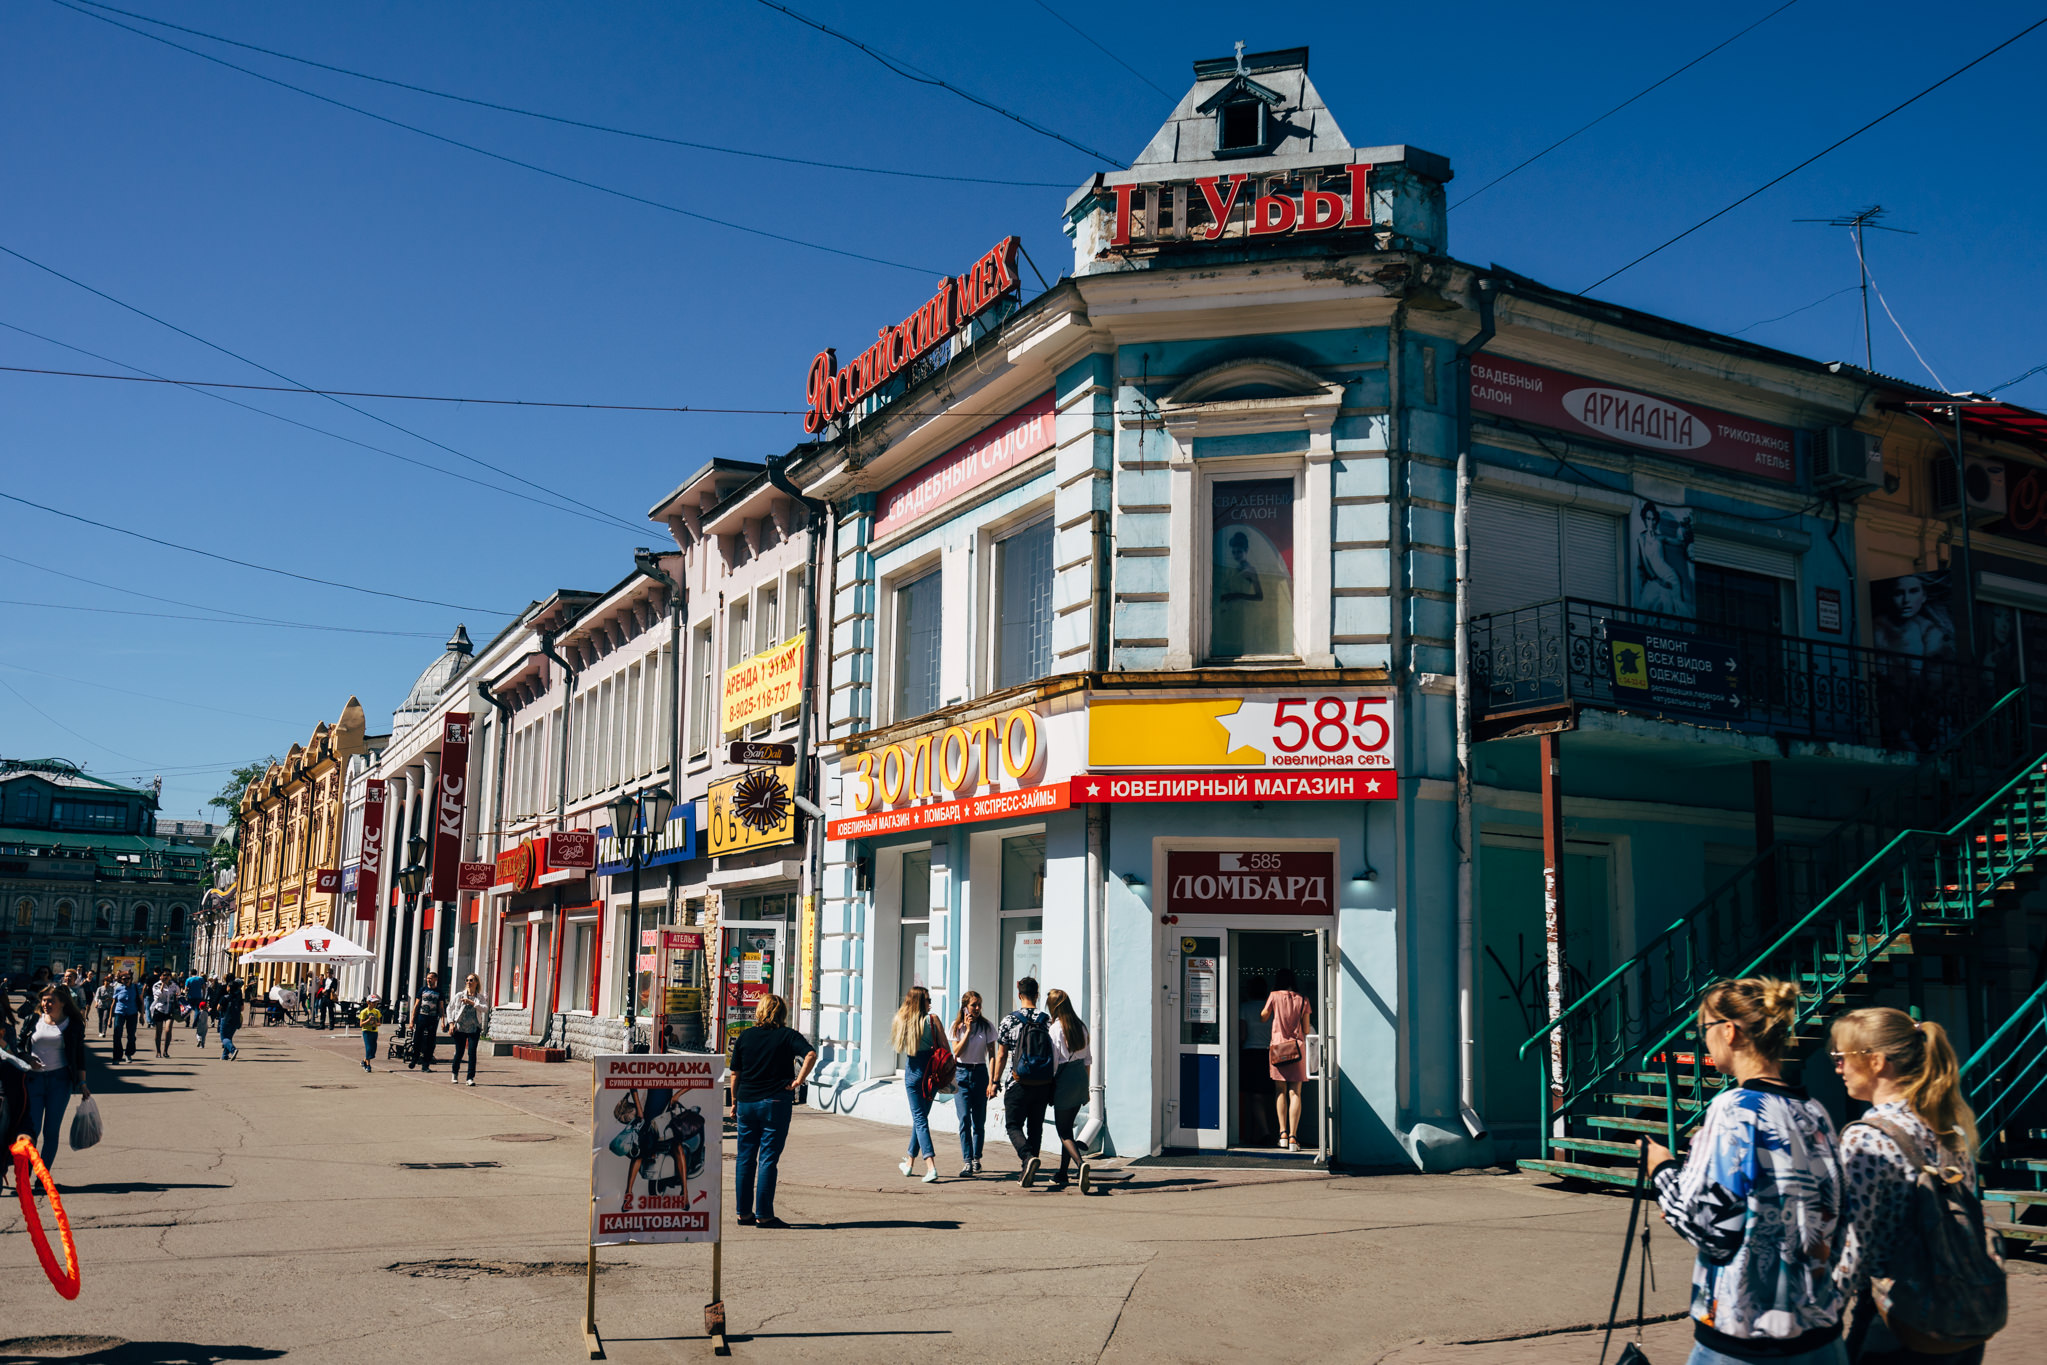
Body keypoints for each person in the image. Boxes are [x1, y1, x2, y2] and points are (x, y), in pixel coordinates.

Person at [1643, 978, 1845, 1365]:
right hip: (1819, 1333)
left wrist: (1663, 1169)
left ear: (1729, 1031)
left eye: (1704, 1030)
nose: (1703, 1040)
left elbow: (1709, 1229)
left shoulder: (1733, 1109)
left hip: (1745, 1339)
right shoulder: (1814, 1110)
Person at [1830, 1007, 1993, 1364]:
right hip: (1960, 1314)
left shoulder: (1866, 1137)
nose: (1838, 1066)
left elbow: (1855, 1245)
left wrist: (1821, 1316)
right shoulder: (1949, 1128)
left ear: (1875, 1062)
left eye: (1841, 1056)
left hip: (1897, 1320)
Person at [729, 992, 817, 1228]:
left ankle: (743, 1213)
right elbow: (810, 1053)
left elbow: (735, 1073)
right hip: (775, 1102)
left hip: (747, 1102)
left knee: (745, 1158)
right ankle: (764, 1214)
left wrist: (734, 1101)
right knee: (768, 1158)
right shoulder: (787, 1036)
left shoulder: (745, 1036)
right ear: (783, 1014)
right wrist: (798, 1081)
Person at [989, 976, 1056, 1187]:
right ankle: (1028, 1172)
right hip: (1043, 1083)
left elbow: (1001, 1055)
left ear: (1019, 995)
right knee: (1036, 1127)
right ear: (1037, 994)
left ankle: (1027, 1158)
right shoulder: (1047, 1020)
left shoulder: (1009, 1020)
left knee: (1013, 1125)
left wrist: (994, 1081)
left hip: (1017, 1082)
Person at [22, 984, 89, 1174]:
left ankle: (43, 1176)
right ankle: (25, 1174)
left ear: (62, 1002)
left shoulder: (73, 1025)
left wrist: (82, 1083)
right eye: (43, 1000)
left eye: (50, 1000)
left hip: (60, 1081)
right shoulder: (33, 1020)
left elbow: (78, 1056)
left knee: (51, 1131)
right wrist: (28, 1059)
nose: (45, 1004)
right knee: (31, 1130)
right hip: (34, 1080)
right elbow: (18, 1046)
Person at [1043, 988, 1095, 1193]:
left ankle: (1081, 1165)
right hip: (1080, 1078)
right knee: (1068, 1128)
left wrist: (1050, 1085)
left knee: (1063, 1131)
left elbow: (1054, 1064)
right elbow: (1088, 1059)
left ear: (1053, 1007)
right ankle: (1062, 1173)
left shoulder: (1055, 1029)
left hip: (1064, 1079)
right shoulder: (1080, 1026)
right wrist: (1087, 1086)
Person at [890, 986, 943, 1183]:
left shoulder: (902, 1021)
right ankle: (910, 1163)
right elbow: (945, 1048)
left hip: (913, 1073)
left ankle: (930, 1166)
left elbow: (901, 1047)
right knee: (921, 1119)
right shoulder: (933, 1020)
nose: (930, 1003)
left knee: (920, 1119)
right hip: (932, 1074)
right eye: (928, 1000)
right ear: (921, 1002)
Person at [1261, 967, 1312, 1151]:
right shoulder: (1303, 999)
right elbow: (1306, 1029)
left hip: (1278, 1048)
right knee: (1295, 1093)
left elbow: (1263, 1017)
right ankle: (1293, 1137)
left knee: (1280, 1091)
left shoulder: (1274, 996)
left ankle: (1282, 1133)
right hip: (1297, 1049)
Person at [950, 991, 995, 1177]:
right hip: (961, 1074)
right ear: (965, 1007)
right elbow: (957, 1052)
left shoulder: (987, 1026)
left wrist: (992, 1081)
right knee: (964, 1120)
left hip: (980, 1073)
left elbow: (993, 1054)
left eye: (979, 1005)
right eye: (973, 1005)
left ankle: (977, 1158)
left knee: (979, 1121)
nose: (977, 1009)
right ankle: (967, 1161)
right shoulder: (956, 1027)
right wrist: (967, 1031)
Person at [1239, 974, 1275, 1146]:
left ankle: (1264, 1132)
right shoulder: (1271, 1008)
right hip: (1270, 1052)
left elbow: (1242, 1034)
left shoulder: (1244, 1008)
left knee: (1255, 1096)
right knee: (1266, 1095)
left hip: (1251, 1052)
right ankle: (1259, 1133)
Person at [444, 973, 488, 1086]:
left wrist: (473, 1003)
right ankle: (455, 1073)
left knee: (472, 1053)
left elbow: (485, 1009)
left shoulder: (480, 997)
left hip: (474, 1028)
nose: (468, 982)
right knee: (459, 1052)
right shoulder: (460, 995)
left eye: (471, 980)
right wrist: (451, 1023)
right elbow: (449, 1008)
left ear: (476, 982)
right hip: (460, 1028)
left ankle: (470, 1078)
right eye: (467, 980)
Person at [409, 972, 444, 1072]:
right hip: (421, 1017)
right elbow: (416, 1005)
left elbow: (441, 1007)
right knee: (417, 1040)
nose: (428, 980)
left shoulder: (439, 992)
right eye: (427, 978)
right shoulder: (423, 990)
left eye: (431, 978)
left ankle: (426, 1064)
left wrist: (443, 1021)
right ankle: (414, 1059)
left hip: (433, 1019)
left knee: (430, 1042)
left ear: (435, 979)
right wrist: (412, 1020)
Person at [109, 969, 142, 1063]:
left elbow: (141, 1002)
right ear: (121, 980)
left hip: (132, 1013)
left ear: (131, 979)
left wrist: (142, 1016)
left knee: (131, 1035)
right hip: (119, 1012)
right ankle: (117, 1057)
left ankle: (128, 1054)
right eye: (124, 979)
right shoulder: (118, 988)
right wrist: (110, 1018)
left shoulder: (136, 987)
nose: (126, 980)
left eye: (128, 978)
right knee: (117, 1035)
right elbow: (113, 1003)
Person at [149, 969, 182, 1058]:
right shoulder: (157, 985)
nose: (166, 976)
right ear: (160, 976)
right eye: (164, 975)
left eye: (168, 975)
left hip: (170, 1010)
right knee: (158, 1031)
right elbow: (157, 996)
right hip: (159, 1009)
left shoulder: (174, 986)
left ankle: (165, 1051)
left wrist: (177, 998)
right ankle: (158, 1051)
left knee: (168, 1030)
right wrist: (163, 985)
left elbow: (179, 995)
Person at [218, 976, 244, 1060]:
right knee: (229, 1038)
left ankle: (233, 1050)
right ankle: (225, 1056)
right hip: (235, 1019)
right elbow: (242, 1008)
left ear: (229, 988)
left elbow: (218, 1008)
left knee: (224, 1038)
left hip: (226, 1018)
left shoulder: (225, 997)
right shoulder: (238, 997)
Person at [357, 994, 383, 1073]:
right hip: (366, 1031)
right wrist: (368, 1020)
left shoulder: (377, 1011)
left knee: (373, 1049)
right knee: (368, 1048)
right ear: (368, 1002)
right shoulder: (364, 1012)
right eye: (373, 1002)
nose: (375, 1004)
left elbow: (379, 1023)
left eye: (376, 1002)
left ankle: (364, 1060)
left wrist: (375, 1023)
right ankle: (368, 1065)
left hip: (374, 1031)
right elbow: (361, 1024)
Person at [185, 967, 209, 1049]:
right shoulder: (200, 979)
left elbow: (186, 989)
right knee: (197, 1010)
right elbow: (204, 987)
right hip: (198, 996)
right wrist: (203, 996)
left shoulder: (188, 979)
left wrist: (186, 994)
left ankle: (187, 1022)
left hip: (190, 997)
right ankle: (194, 1023)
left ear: (191, 973)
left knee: (188, 1010)